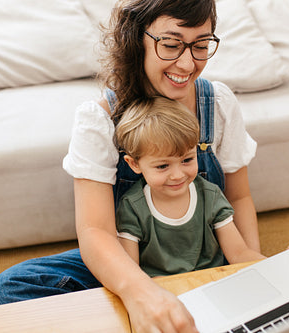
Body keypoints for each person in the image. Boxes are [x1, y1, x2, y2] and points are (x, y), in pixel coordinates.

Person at [0, 0, 274, 331]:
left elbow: (238, 199)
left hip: (206, 254)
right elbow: (95, 230)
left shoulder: (219, 103)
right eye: (170, 44)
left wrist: (250, 273)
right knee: (12, 288)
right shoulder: (99, 119)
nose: (187, 62)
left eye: (201, 45)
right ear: (136, 37)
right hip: (133, 259)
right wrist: (140, 292)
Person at [114, 97, 266, 278]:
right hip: (161, 292)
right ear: (134, 164)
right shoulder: (132, 207)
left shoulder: (210, 196)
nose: (178, 175)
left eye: (187, 160)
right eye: (163, 166)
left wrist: (285, 263)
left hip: (212, 283)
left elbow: (239, 254)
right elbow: (131, 271)